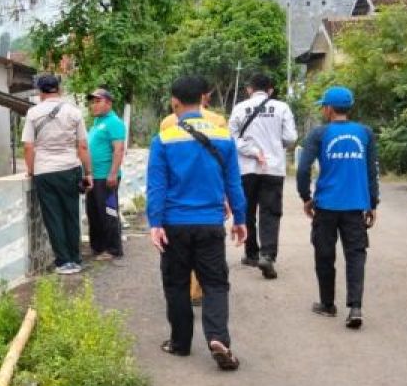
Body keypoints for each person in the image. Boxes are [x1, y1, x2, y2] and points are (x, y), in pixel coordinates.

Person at [147, 77, 247, 370]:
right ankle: (218, 338)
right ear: (203, 99)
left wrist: (155, 223)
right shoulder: (222, 136)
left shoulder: (163, 139)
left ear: (174, 101)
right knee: (215, 283)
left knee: (176, 283)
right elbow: (234, 183)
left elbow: (156, 187)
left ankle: (180, 343)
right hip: (210, 224)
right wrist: (240, 219)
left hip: (174, 224)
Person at [296, 86, 379, 330]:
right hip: (355, 206)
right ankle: (355, 307)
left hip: (326, 206)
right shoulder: (365, 133)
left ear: (329, 109)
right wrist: (372, 203)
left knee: (324, 254)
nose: (323, 109)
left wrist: (306, 197)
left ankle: (327, 304)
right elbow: (371, 171)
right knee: (356, 255)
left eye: (324, 106)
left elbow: (303, 169)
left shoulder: (320, 134)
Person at [159, 77, 228, 304]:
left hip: (176, 205)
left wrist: (156, 218)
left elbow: (160, 175)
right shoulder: (218, 122)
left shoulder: (168, 123)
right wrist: (228, 199)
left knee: (179, 256)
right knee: (208, 255)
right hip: (209, 202)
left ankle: (185, 294)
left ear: (175, 99)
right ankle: (199, 292)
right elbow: (225, 165)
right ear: (203, 96)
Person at [228, 73, 298, 280]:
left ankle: (251, 254)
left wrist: (250, 150)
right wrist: (274, 144)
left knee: (247, 211)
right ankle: (267, 255)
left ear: (249, 89)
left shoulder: (239, 108)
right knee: (270, 212)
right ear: (270, 90)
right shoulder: (282, 107)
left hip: (246, 169)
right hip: (272, 168)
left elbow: (231, 138)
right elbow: (291, 137)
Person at [23, 73, 93, 275]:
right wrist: (88, 172)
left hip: (45, 171)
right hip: (70, 168)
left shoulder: (33, 113)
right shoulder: (74, 112)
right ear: (59, 90)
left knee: (53, 216)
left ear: (40, 92)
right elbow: (82, 146)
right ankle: (76, 259)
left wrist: (31, 170)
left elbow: (28, 147)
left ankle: (63, 262)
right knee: (71, 214)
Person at [85, 87, 126, 260]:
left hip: (106, 177)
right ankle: (98, 247)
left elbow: (119, 149)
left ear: (108, 103)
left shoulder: (114, 122)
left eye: (98, 101)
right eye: (92, 102)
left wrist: (113, 173)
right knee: (93, 213)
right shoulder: (97, 122)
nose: (93, 105)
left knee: (108, 213)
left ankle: (113, 249)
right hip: (94, 177)